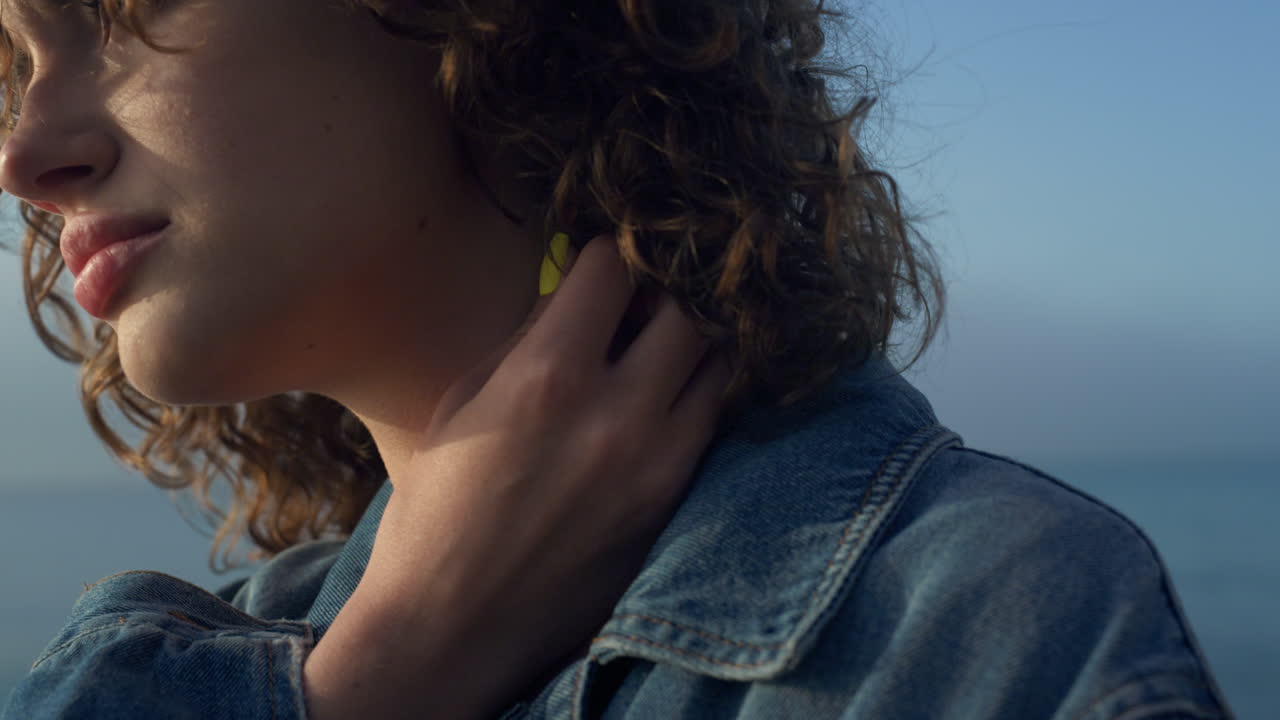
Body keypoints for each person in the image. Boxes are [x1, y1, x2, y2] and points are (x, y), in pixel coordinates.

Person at [0, 1, 1236, 719]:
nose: (25, 154)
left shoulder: (979, 627)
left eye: (113, 9)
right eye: (13, 61)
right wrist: (383, 673)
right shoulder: (208, 654)